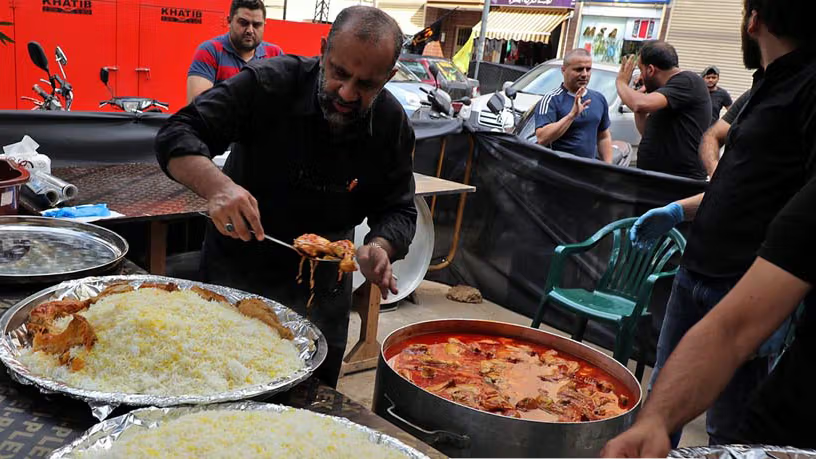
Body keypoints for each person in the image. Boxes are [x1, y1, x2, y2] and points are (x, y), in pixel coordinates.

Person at [155, 6, 416, 388]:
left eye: (366, 85)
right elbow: (176, 133)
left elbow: (399, 209)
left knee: (308, 405)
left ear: (389, 78)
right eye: (340, 73)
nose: (346, 93)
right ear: (324, 50)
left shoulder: (391, 124)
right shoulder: (269, 83)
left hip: (321, 298)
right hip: (236, 278)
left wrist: (381, 245)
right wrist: (218, 187)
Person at [602, 0, 816, 454]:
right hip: (695, 272)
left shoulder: (808, 86)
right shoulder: (763, 85)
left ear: (754, 18)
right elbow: (735, 187)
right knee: (664, 389)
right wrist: (677, 211)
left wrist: (780, 311)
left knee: (731, 430)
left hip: (746, 290)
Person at [616, 41, 711, 180]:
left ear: (650, 70)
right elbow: (646, 131)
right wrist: (639, 95)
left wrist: (621, 82)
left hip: (677, 182)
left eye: (641, 70)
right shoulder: (665, 94)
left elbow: (638, 104)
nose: (640, 77)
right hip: (654, 179)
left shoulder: (688, 81)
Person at [186, 0, 283, 103]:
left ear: (264, 25)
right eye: (243, 23)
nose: (250, 30)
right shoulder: (209, 52)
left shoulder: (275, 55)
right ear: (229, 21)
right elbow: (197, 108)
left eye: (256, 25)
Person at [534, 49, 613, 163]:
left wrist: (608, 167)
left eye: (588, 69)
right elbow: (542, 138)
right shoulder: (551, 100)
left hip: (587, 172)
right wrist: (571, 116)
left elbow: (603, 136)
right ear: (563, 70)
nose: (584, 74)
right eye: (579, 69)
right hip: (558, 172)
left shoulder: (598, 99)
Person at [699, 91, 748, 177]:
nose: (710, 80)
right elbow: (713, 136)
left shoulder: (722, 94)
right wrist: (716, 176)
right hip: (703, 131)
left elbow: (729, 108)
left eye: (713, 77)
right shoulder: (752, 95)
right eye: (708, 77)